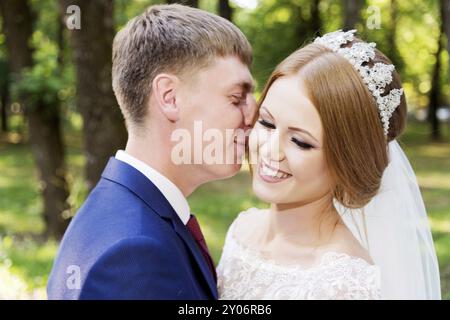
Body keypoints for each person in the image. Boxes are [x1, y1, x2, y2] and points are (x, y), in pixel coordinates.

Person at [47, 4, 257, 300]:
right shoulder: (134, 254)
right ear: (170, 97)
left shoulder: (128, 214)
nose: (254, 114)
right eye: (237, 98)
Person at [217, 30, 441, 300]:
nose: (269, 150)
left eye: (300, 141)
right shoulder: (244, 228)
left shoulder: (343, 285)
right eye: (266, 122)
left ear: (347, 160)